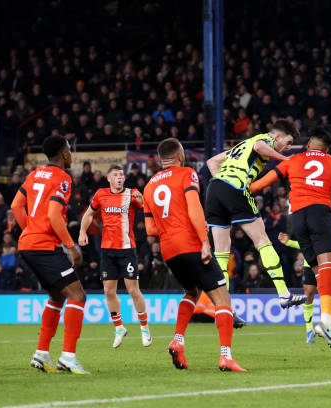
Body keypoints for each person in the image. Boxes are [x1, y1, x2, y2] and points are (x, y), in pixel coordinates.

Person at [143, 138, 246, 372]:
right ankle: (225, 357)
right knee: (222, 298)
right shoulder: (186, 174)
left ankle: (178, 340)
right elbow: (194, 208)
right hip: (190, 244)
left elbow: (150, 230)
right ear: (179, 154)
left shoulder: (149, 185)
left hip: (169, 251)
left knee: (191, 291)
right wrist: (204, 243)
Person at [250, 127, 331, 353]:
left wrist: (241, 189)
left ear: (308, 145)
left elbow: (259, 185)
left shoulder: (294, 160)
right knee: (328, 266)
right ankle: (326, 319)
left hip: (297, 218)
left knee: (321, 273)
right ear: (326, 149)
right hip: (321, 213)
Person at [205, 119, 305, 309]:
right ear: (277, 137)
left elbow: (212, 161)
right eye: (288, 142)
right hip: (236, 187)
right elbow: (260, 146)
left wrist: (221, 181)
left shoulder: (242, 145)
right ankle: (284, 294)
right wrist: (285, 160)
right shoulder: (262, 139)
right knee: (262, 241)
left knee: (221, 253)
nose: (288, 147)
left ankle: (223, 307)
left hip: (214, 190)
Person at [10, 135, 88, 374]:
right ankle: (68, 357)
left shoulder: (34, 174)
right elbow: (54, 216)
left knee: (57, 296)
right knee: (78, 295)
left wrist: (31, 230)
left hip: (28, 244)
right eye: (70, 150)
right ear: (64, 154)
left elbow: (15, 206)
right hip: (45, 246)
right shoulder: (63, 178)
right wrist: (72, 246)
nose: (71, 155)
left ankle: (41, 354)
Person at [78, 164, 151, 349]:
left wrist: (142, 198)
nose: (119, 177)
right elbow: (88, 214)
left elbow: (145, 206)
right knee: (108, 291)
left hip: (127, 250)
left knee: (133, 291)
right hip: (107, 251)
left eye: (121, 175)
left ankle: (144, 328)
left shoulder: (131, 193)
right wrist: (82, 232)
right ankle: (119, 328)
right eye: (116, 175)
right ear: (109, 178)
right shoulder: (101, 194)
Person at [278, 213, 331, 345]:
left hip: (326, 261)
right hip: (310, 262)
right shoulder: (307, 216)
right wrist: (288, 242)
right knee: (308, 295)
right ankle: (309, 330)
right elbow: (306, 245)